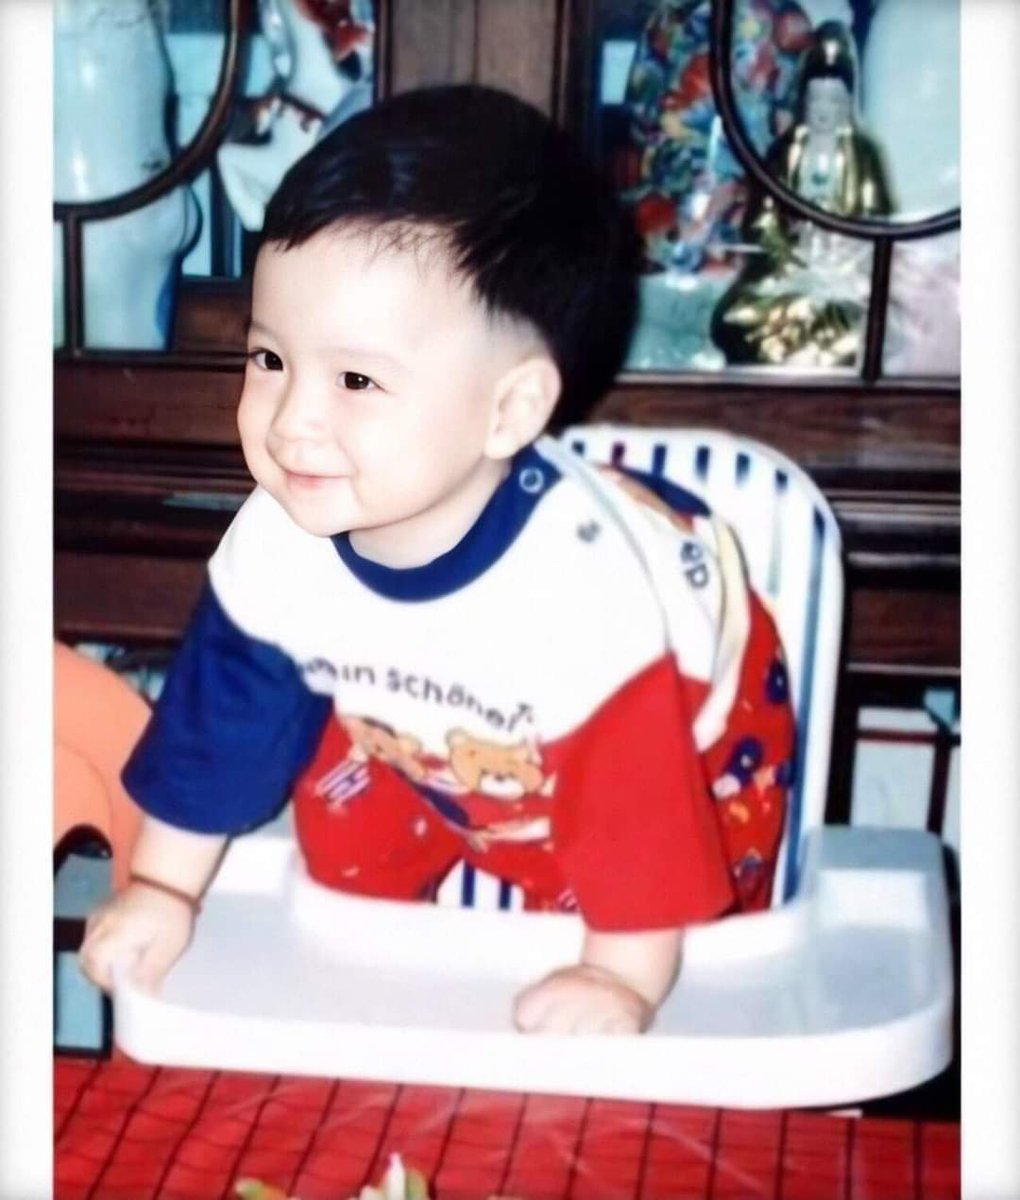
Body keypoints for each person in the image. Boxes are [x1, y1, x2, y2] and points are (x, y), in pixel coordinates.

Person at [80, 85, 794, 1035]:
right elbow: (218, 730)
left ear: (508, 412)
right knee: (334, 843)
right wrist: (165, 889)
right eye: (269, 361)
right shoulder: (280, 538)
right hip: (416, 715)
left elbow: (639, 808)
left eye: (358, 379)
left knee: (683, 932)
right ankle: (376, 932)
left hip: (686, 726)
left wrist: (623, 977)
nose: (293, 420)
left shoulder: (577, 601)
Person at [711, 20, 894, 367]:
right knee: (738, 317)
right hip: (790, 273)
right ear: (804, 101)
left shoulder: (863, 155)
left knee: (870, 330)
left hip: (845, 278)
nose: (824, 110)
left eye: (834, 100)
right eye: (817, 99)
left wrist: (843, 255)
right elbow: (761, 220)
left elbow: (877, 222)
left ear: (848, 103)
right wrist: (791, 255)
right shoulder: (785, 151)